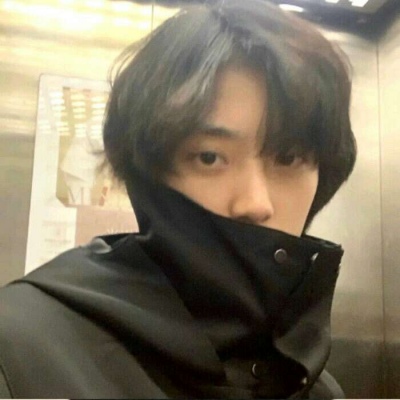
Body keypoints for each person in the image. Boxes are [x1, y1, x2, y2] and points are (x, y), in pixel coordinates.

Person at [0, 0, 356, 398]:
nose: (256, 204)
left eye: (288, 158)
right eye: (210, 157)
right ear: (147, 173)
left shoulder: (316, 387)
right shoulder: (21, 351)